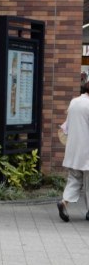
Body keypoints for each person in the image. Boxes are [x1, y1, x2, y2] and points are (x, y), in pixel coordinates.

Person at [57, 82, 89, 223]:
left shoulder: (74, 102)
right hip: (87, 150)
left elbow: (67, 126)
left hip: (73, 149)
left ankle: (64, 202)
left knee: (74, 179)